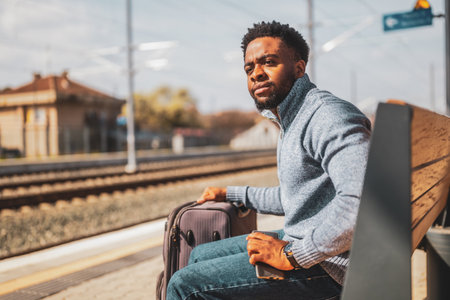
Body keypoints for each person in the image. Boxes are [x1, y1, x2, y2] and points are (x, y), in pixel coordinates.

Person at [167, 21, 371, 300]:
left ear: (299, 68)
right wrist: (231, 193)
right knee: (200, 254)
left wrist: (291, 254)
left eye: (269, 62)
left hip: (332, 266)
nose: (256, 74)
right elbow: (295, 197)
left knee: (184, 285)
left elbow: (361, 202)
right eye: (249, 68)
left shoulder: (327, 116)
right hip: (306, 242)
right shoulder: (293, 118)